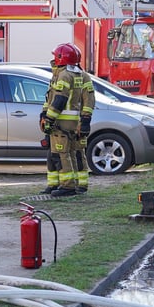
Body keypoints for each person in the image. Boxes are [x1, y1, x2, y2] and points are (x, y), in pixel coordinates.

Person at [40, 43, 95, 197]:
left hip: (61, 122)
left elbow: (58, 100)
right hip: (76, 123)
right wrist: (85, 121)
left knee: (61, 154)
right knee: (76, 153)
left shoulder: (63, 75)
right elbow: (89, 100)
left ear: (60, 58)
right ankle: (78, 185)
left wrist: (49, 118)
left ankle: (67, 186)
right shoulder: (83, 75)